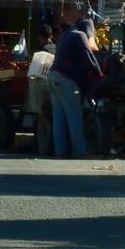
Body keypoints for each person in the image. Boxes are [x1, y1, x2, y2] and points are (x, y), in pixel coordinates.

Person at [46, 18, 103, 158]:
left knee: (59, 119)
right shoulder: (80, 35)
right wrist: (99, 73)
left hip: (52, 77)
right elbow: (89, 56)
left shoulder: (66, 35)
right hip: (65, 79)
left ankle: (61, 151)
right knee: (74, 117)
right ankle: (80, 151)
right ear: (89, 30)